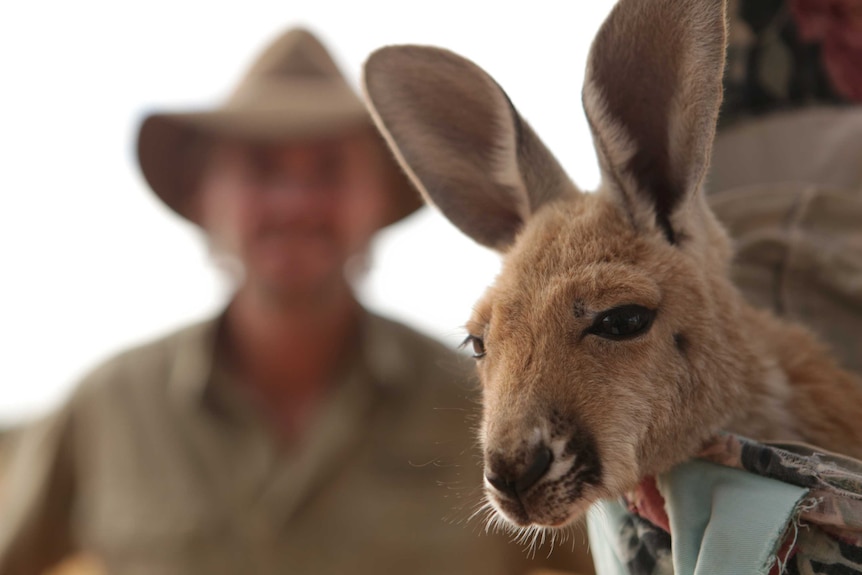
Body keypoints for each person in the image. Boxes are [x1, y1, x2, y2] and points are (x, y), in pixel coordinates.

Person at [0, 29, 594, 575]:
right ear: (203, 198)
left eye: (328, 171)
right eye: (262, 170)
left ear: (381, 199)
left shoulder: (489, 408)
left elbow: (628, 557)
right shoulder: (109, 408)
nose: (294, 203)